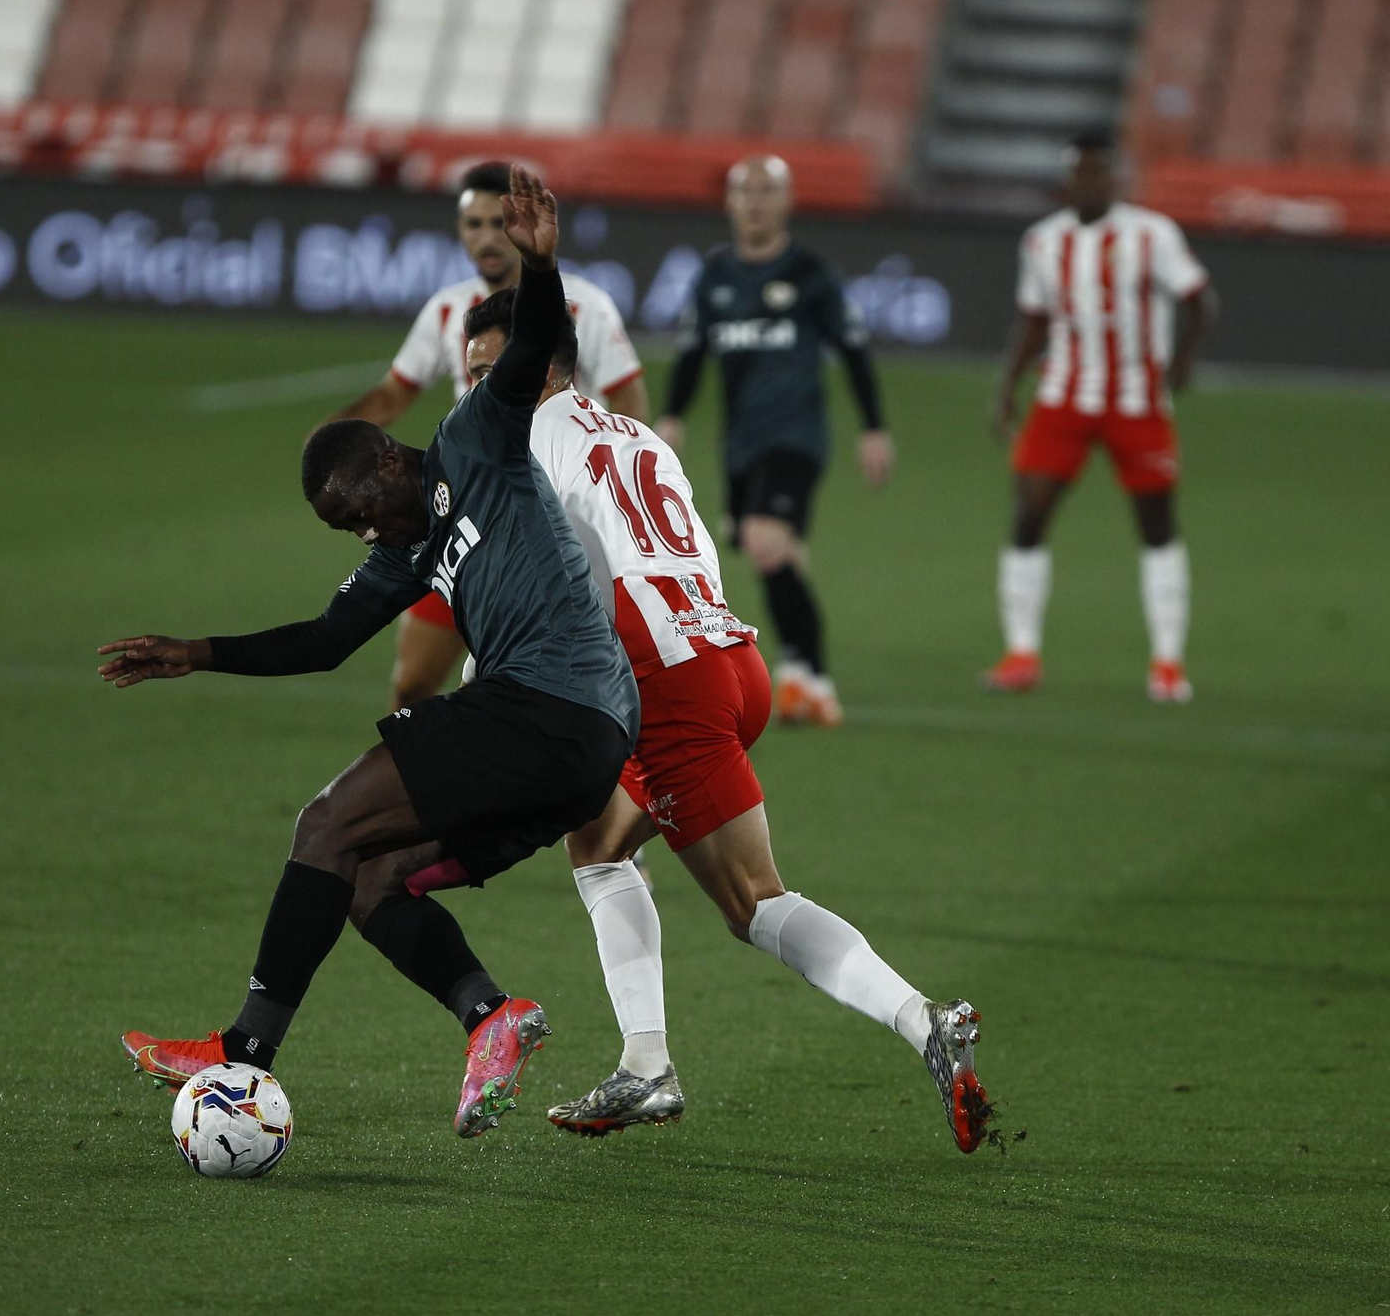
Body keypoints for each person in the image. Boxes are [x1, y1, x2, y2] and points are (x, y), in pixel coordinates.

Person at [103, 167, 640, 1139]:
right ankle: (493, 1015)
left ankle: (243, 1053)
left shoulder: (474, 438)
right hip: (572, 751)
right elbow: (322, 642)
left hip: (552, 705)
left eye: (355, 512)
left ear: (389, 463)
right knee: (363, 873)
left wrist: (545, 264)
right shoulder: (407, 547)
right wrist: (196, 652)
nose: (358, 534)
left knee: (321, 821)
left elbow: (525, 352)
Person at [458, 291, 991, 1154]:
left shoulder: (528, 447)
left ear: (541, 369)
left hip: (667, 687)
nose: (473, 392)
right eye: (469, 374)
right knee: (596, 845)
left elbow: (544, 591)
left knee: (752, 903)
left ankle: (922, 1020)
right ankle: (645, 1064)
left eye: (487, 373)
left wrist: (481, 690)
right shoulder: (633, 434)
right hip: (724, 656)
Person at [327, 160, 648, 712]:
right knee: (412, 684)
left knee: (567, 687)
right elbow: (395, 393)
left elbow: (629, 395)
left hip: (558, 518)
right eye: (471, 224)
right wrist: (333, 441)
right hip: (470, 516)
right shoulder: (451, 309)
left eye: (496, 223)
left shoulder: (583, 307)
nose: (484, 238)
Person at [658, 154, 895, 729]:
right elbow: (692, 355)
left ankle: (808, 677)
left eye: (769, 192)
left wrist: (873, 426)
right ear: (731, 203)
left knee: (765, 542)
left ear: (787, 202)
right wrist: (672, 415)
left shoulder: (811, 274)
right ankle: (806, 677)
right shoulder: (715, 278)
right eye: (746, 192)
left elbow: (854, 350)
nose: (757, 202)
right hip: (741, 443)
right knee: (774, 553)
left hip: (796, 437)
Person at [985, 130, 1216, 702]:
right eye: (1082, 174)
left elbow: (1198, 300)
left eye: (1100, 173)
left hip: (1137, 400)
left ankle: (1167, 663)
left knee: (1156, 522)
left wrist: (1182, 364)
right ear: (1068, 181)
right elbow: (1035, 318)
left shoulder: (1152, 234)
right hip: (1064, 395)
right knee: (1029, 514)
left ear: (1115, 178)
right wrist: (1009, 386)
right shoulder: (1042, 242)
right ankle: (1021, 654)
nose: (1091, 183)